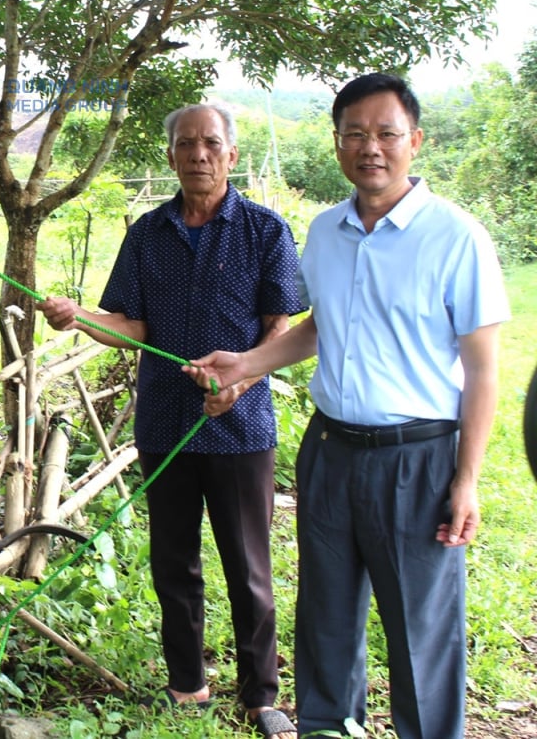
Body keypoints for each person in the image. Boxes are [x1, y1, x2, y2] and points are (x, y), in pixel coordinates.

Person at [185, 73, 510, 739]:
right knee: (326, 621)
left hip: (416, 459)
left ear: (414, 141)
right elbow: (320, 326)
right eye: (355, 134)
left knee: (420, 631)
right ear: (336, 145)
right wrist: (243, 365)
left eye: (387, 134)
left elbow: (482, 371)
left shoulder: (456, 237)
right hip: (330, 453)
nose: (372, 148)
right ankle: (329, 730)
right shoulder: (326, 231)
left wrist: (467, 479)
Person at [38, 103, 301, 739]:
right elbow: (130, 325)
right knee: (173, 562)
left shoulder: (266, 230)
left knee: (248, 565)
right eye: (187, 144)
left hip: (241, 428)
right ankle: (188, 685)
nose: (199, 154)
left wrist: (240, 381)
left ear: (231, 156)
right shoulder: (147, 233)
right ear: (172, 156)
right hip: (165, 423)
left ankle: (260, 696)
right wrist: (78, 318)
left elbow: (279, 329)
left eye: (212, 143)